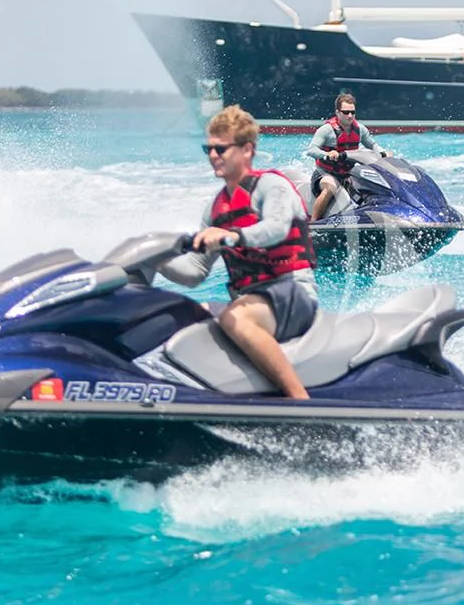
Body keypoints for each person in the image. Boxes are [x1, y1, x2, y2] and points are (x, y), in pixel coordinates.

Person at [156, 105, 318, 399]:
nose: (213, 156)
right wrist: (158, 260)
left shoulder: (272, 186)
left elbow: (277, 228)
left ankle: (300, 401)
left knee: (235, 319)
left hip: (293, 293)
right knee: (185, 317)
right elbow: (195, 272)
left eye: (221, 149)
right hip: (253, 299)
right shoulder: (215, 208)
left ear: (247, 150)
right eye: (208, 149)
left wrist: (232, 236)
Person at [304, 92, 386, 220]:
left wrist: (383, 152)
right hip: (325, 173)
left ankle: (372, 219)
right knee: (330, 188)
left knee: (369, 188)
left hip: (348, 174)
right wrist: (327, 154)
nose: (350, 116)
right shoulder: (326, 130)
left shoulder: (360, 129)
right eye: (346, 112)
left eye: (353, 112)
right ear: (337, 112)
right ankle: (313, 224)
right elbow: (311, 150)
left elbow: (373, 145)